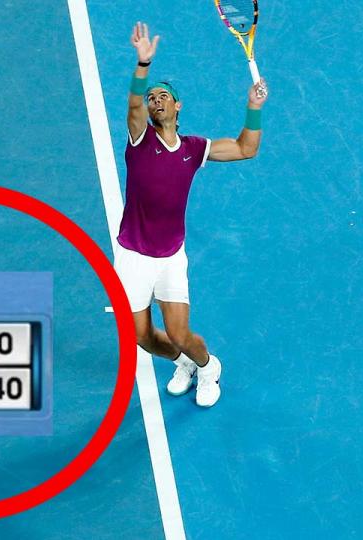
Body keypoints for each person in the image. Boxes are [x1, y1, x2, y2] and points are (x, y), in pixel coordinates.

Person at [116, 22, 268, 407]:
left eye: (163, 96)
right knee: (143, 337)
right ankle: (182, 363)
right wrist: (143, 65)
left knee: (180, 334)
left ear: (178, 106)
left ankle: (206, 366)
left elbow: (245, 149)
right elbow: (132, 105)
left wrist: (253, 107)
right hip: (133, 256)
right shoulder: (139, 140)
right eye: (152, 98)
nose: (155, 101)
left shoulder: (193, 149)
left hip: (169, 257)